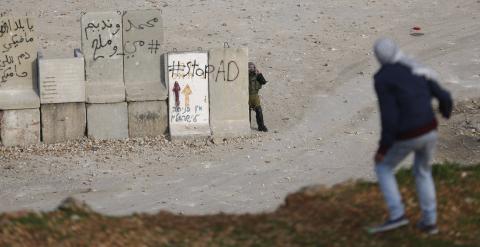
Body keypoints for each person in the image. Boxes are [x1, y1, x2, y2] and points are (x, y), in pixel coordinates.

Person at [367, 38, 453, 235]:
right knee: (423, 172)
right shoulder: (413, 66)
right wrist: (445, 112)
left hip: (408, 134)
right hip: (430, 129)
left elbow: (389, 116)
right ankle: (430, 222)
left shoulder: (382, 78)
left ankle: (397, 215)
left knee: (383, 167)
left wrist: (383, 148)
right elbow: (444, 95)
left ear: (379, 57)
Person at [248, 62, 268, 132]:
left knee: (259, 111)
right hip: (247, 96)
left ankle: (261, 126)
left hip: (255, 96)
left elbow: (263, 82)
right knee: (247, 112)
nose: (251, 69)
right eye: (249, 67)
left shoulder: (257, 75)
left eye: (252, 67)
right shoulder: (245, 76)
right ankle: (247, 126)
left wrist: (259, 74)